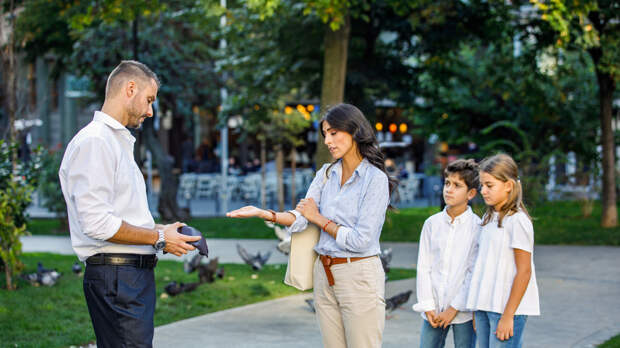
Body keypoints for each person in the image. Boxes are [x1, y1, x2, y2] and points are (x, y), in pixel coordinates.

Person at [227, 103, 397, 348]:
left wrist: (319, 218)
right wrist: (264, 213)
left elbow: (362, 240)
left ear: (355, 131)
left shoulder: (375, 180)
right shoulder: (326, 173)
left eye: (333, 133)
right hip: (324, 274)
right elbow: (301, 216)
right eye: (325, 134)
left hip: (359, 276)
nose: (327, 140)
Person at [59, 60, 200, 348]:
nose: (150, 111)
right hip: (117, 277)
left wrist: (160, 230)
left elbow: (115, 214)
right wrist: (159, 237)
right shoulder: (96, 142)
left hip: (126, 278)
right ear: (130, 88)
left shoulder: (114, 142)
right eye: (149, 100)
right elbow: (97, 223)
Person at [465, 153, 540, 348]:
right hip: (484, 307)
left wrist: (508, 316)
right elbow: (481, 267)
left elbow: (524, 272)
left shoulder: (518, 221)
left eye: (489, 185)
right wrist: (476, 308)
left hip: (506, 310)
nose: (483, 191)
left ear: (508, 186)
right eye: (482, 185)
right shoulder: (487, 220)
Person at [413, 159, 480, 348]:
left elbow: (473, 273)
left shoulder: (478, 227)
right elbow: (423, 267)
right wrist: (428, 306)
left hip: (463, 310)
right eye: (447, 183)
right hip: (433, 309)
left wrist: (453, 308)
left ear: (471, 193)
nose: (449, 189)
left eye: (457, 185)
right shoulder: (431, 224)